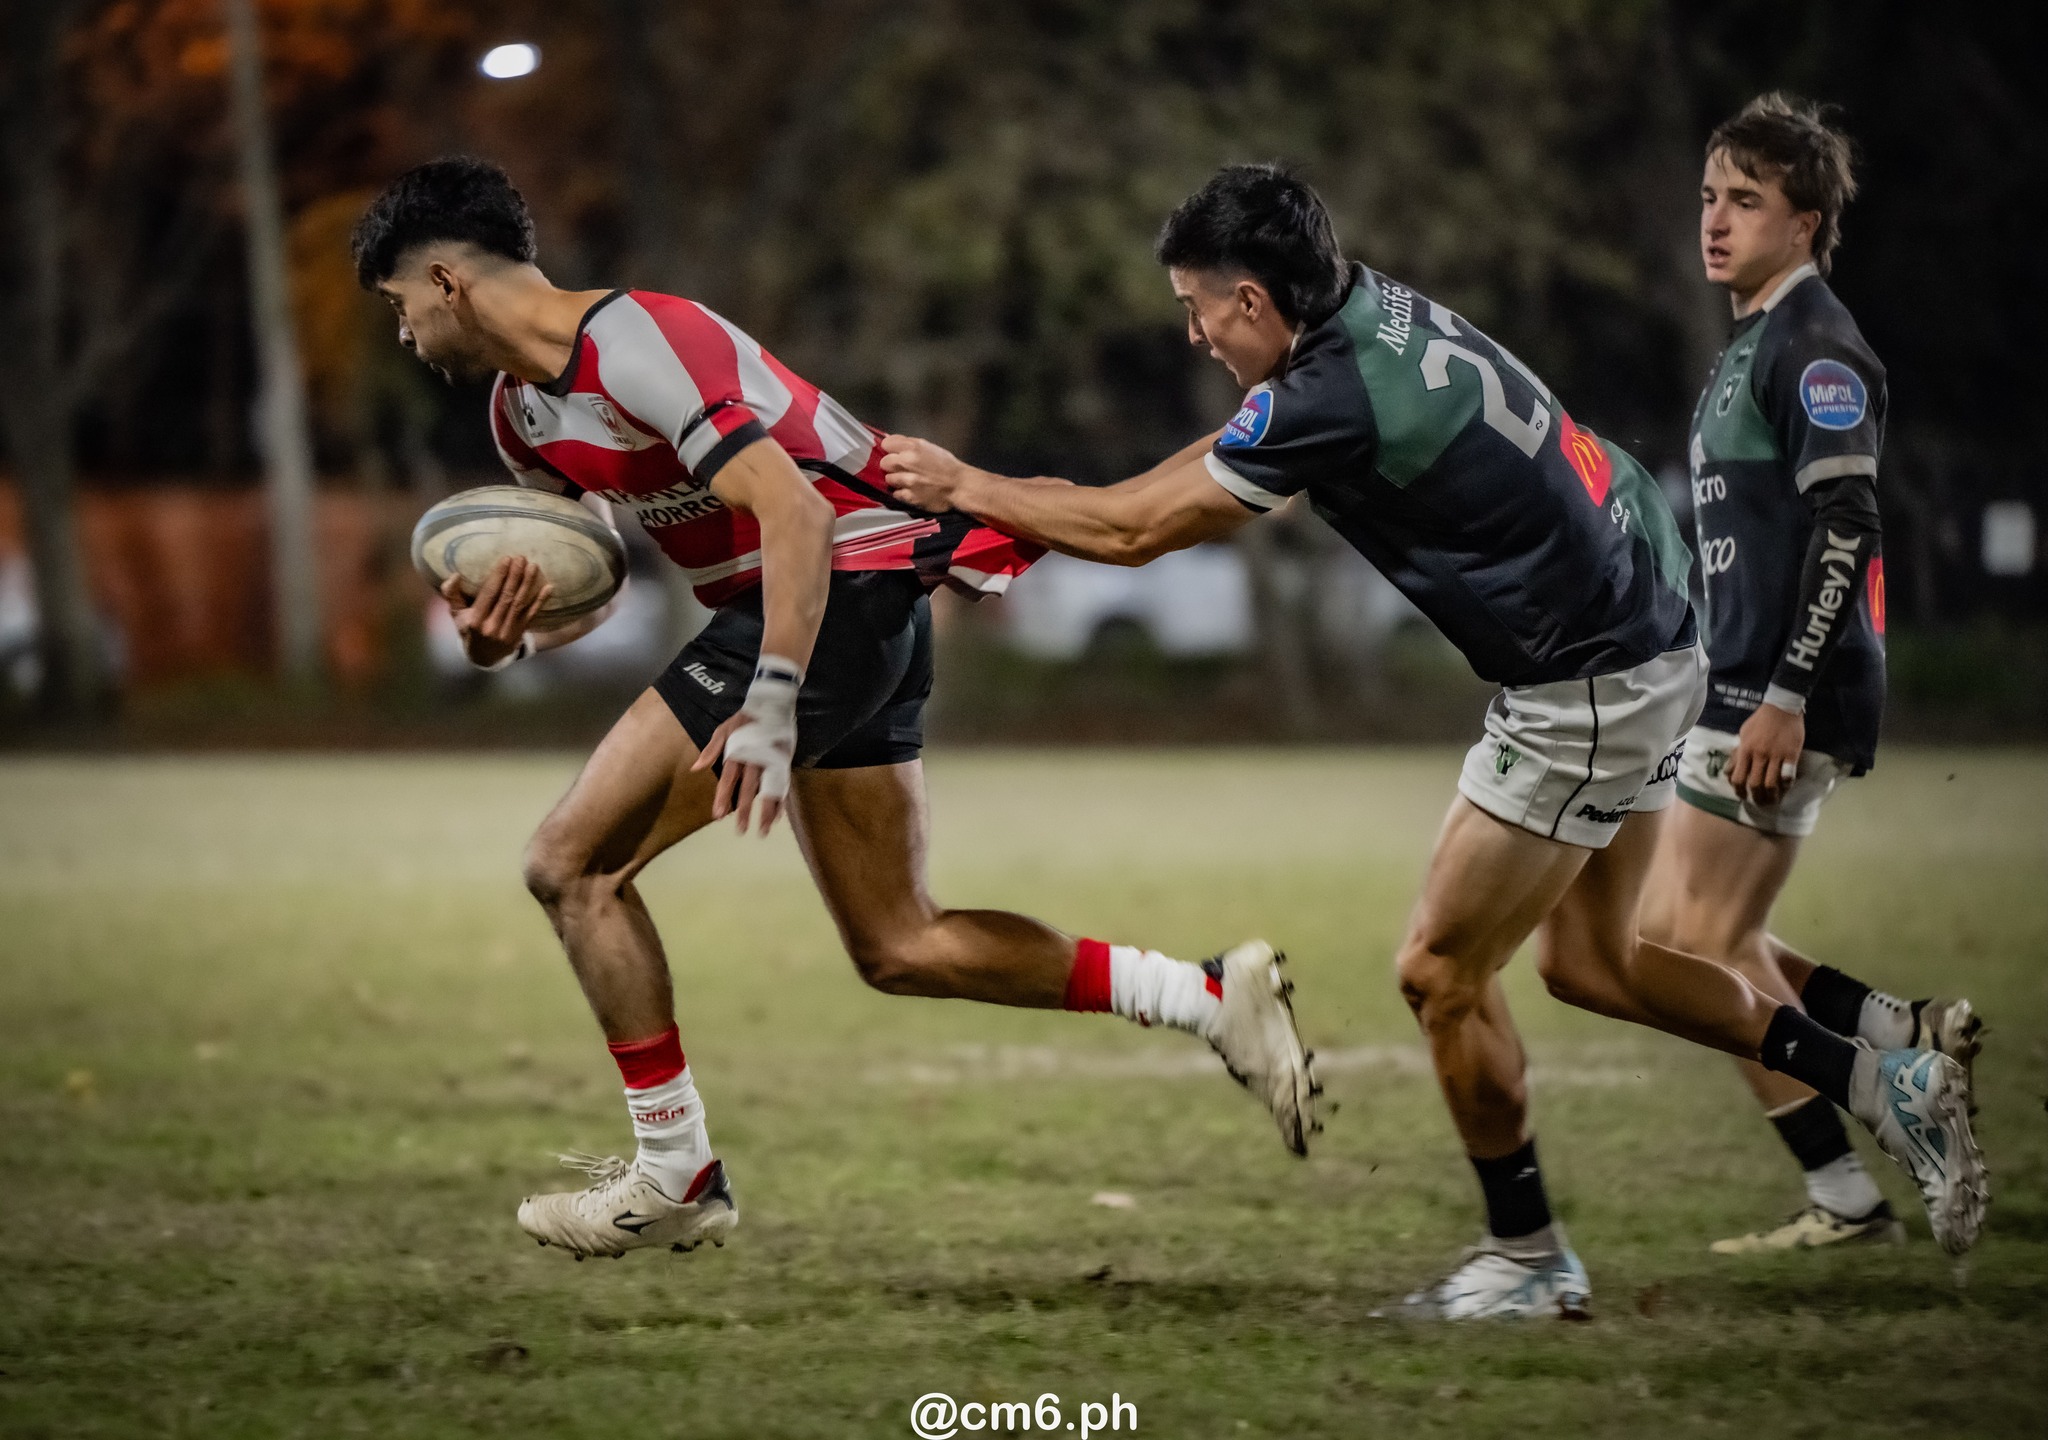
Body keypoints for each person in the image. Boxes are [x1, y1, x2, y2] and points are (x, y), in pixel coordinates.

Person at [880, 163, 1987, 1317]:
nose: (1194, 329)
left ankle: (1525, 1259)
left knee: (1437, 974)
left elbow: (1146, 528)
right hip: (1643, 629)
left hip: (1586, 679)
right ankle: (1879, 1076)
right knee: (1591, 965)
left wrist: (973, 487)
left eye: (1194, 304)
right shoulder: (1364, 311)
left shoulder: (1329, 391)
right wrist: (1030, 500)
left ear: (1253, 301)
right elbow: (1191, 478)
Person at [350, 158, 1319, 1260]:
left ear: (442, 278)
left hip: (834, 590)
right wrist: (506, 635)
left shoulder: (637, 341)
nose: (401, 332)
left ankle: (676, 1172)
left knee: (570, 866)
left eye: (395, 305)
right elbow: (584, 580)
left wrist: (769, 698)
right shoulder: (522, 416)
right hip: (838, 615)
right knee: (900, 943)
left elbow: (796, 513)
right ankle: (1206, 999)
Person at [1640, 94, 1983, 1255]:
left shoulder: (1814, 346)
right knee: (1700, 943)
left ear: (1806, 218)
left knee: (1683, 953)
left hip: (1779, 695)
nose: (1715, 221)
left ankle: (1886, 1106)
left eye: (1745, 200)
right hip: (1738, 684)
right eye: (1707, 197)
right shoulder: (1752, 342)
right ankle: (1892, 1037)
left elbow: (1846, 524)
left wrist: (1783, 694)